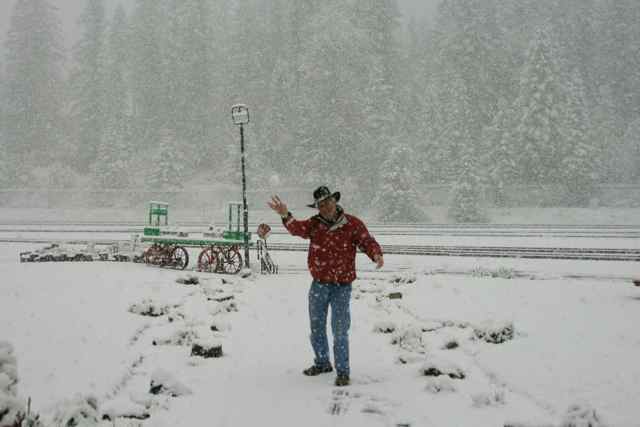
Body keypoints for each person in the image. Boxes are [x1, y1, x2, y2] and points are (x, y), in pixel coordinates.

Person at [268, 186, 383, 387]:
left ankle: (343, 372)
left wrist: (376, 254)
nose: (326, 207)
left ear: (335, 201)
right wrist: (285, 214)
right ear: (318, 208)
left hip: (342, 286)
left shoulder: (352, 224)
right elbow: (297, 229)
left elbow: (366, 241)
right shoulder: (314, 224)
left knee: (340, 329)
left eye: (328, 202)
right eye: (321, 205)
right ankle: (322, 363)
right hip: (319, 285)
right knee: (317, 327)